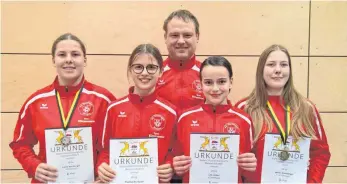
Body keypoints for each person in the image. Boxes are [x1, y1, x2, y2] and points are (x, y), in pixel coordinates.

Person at [9, 33, 116, 183]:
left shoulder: (104, 100)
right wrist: (34, 166)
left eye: (75, 54)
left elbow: (115, 143)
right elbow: (20, 144)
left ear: (84, 60)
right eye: (62, 54)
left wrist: (102, 169)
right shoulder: (35, 102)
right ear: (54, 60)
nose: (69, 60)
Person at [235, 44, 331, 183]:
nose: (278, 70)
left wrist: (312, 182)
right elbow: (234, 156)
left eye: (284, 65)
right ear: (261, 69)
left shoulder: (306, 108)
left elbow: (320, 153)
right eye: (271, 64)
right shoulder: (245, 108)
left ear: (290, 70)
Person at [96, 44, 176, 183]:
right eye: (138, 67)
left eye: (151, 67)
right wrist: (101, 165)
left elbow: (174, 151)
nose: (144, 73)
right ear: (130, 70)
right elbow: (105, 150)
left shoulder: (171, 112)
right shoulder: (113, 109)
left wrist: (170, 166)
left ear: (161, 71)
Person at [172, 56, 257, 183]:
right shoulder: (185, 118)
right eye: (208, 82)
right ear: (201, 83)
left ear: (231, 82)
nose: (215, 89)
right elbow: (175, 157)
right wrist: (176, 165)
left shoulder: (243, 120)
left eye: (222, 81)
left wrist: (250, 164)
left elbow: (247, 165)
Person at [156, 9, 204, 112]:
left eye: (187, 35)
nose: (181, 41)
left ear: (197, 37)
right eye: (174, 35)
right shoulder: (154, 74)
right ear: (165, 37)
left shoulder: (208, 74)